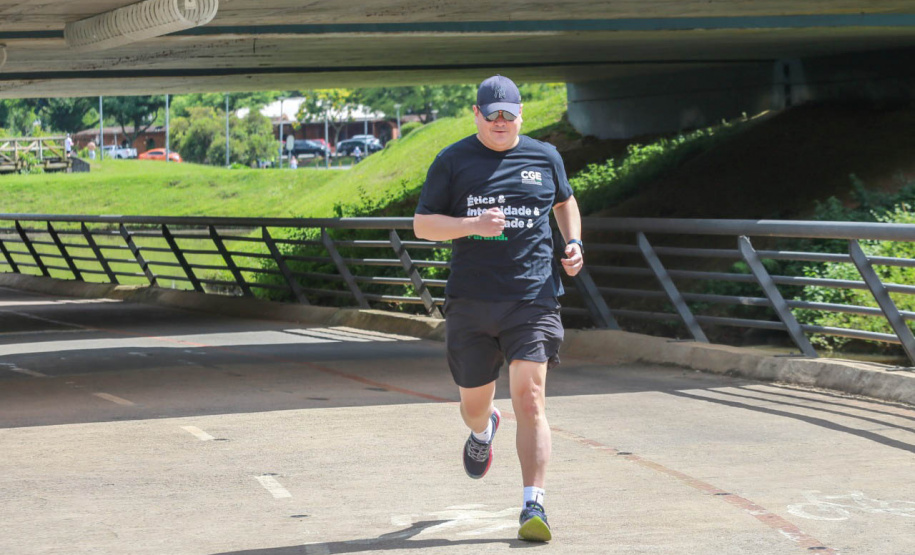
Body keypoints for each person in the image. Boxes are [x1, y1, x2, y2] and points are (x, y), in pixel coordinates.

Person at [413, 74, 583, 543]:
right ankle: (484, 429)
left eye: (509, 115)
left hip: (533, 298)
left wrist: (573, 242)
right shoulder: (452, 161)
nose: (501, 123)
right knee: (473, 407)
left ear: (521, 114)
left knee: (531, 398)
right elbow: (423, 225)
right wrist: (473, 224)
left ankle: (534, 504)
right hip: (471, 301)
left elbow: (566, 202)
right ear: (477, 115)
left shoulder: (545, 156)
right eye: (493, 116)